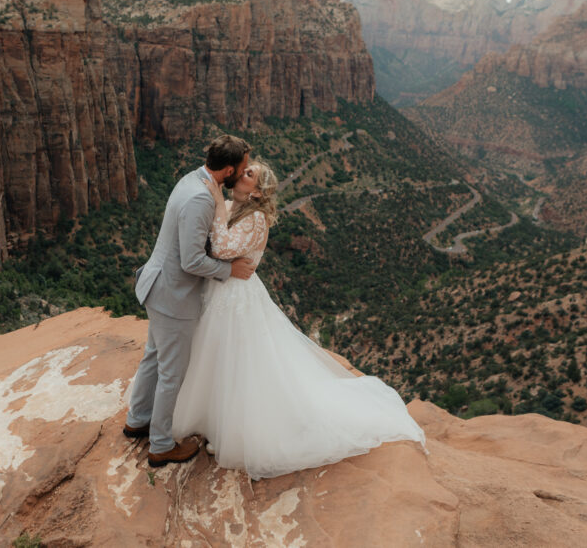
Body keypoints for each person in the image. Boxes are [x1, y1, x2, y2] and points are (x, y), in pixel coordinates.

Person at [172, 160, 427, 479]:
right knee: (214, 356)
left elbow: (222, 249)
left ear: (257, 192)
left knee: (236, 361)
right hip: (218, 293)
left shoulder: (256, 219)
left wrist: (216, 207)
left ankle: (233, 427)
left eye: (250, 174)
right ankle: (209, 418)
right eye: (244, 169)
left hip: (236, 299)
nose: (241, 173)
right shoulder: (228, 206)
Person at [124, 135, 257, 468]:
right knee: (172, 374)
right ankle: (161, 445)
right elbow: (192, 261)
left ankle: (137, 419)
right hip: (174, 297)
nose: (242, 175)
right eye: (240, 170)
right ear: (227, 170)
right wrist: (230, 269)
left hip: (158, 285)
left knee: (153, 358)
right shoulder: (200, 199)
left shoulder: (192, 178)